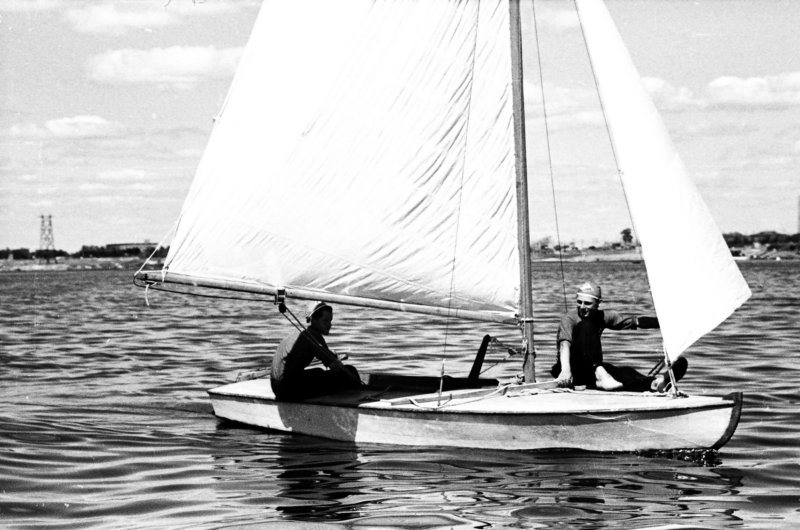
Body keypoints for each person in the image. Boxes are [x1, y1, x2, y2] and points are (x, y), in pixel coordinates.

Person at [551, 281, 687, 392]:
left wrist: (667, 323)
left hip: (591, 368)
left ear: (598, 303)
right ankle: (600, 375)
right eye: (579, 302)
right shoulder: (569, 319)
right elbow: (564, 345)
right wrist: (565, 371)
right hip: (570, 368)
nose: (582, 307)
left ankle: (654, 384)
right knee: (586, 325)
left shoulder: (602, 316)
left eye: (587, 303)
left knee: (624, 372)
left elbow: (637, 322)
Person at [270, 301, 362, 401]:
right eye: (325, 321)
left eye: (330, 321)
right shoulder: (314, 336)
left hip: (276, 387)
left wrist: (329, 355)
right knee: (350, 370)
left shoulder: (298, 332)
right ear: (313, 320)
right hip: (288, 390)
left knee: (318, 371)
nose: (329, 325)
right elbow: (336, 367)